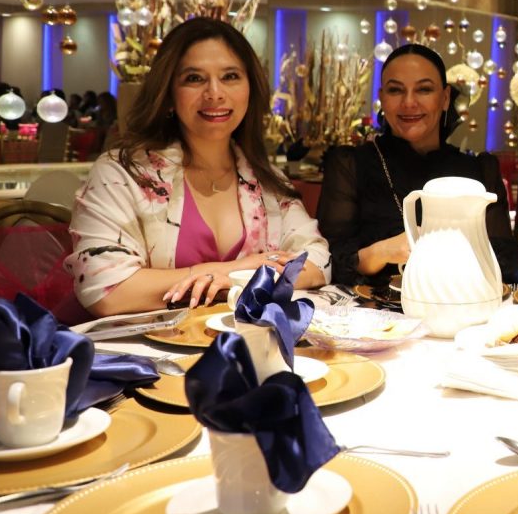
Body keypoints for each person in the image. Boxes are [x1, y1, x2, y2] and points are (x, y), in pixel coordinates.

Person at [67, 17, 330, 315]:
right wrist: (235, 272)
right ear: (168, 93)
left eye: (230, 76)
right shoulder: (122, 173)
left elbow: (318, 262)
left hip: (246, 339)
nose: (215, 93)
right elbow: (107, 292)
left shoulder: (267, 180)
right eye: (194, 78)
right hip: (143, 343)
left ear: (250, 89)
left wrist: (234, 280)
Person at [319, 43, 518, 286]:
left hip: (460, 303)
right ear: (382, 98)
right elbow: (328, 261)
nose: (409, 102)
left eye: (424, 89)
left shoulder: (478, 171)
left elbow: (507, 261)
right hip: (369, 306)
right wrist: (380, 252)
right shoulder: (350, 165)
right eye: (395, 90)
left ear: (445, 98)